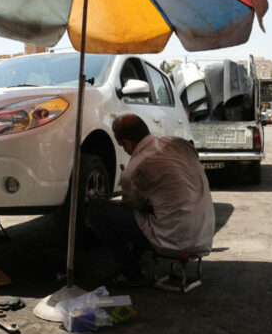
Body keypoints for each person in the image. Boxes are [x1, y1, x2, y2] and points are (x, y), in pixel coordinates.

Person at [86, 114, 215, 286]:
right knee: (152, 206)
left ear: (127, 143)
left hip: (173, 240)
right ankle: (138, 258)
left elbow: (131, 206)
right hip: (203, 234)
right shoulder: (178, 143)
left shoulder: (136, 167)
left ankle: (131, 272)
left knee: (97, 210)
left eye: (123, 146)